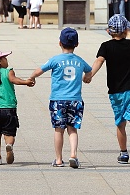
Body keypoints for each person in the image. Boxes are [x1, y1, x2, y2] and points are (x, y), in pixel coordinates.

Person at [84, 15, 130, 166]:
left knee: (120, 123)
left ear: (110, 31)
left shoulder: (106, 46)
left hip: (116, 91)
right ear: (126, 30)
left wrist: (90, 75)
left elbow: (99, 61)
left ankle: (124, 153)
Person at [29, 28, 93, 168]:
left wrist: (32, 77)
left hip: (57, 100)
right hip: (75, 100)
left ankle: (58, 159)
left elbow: (40, 70)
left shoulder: (55, 60)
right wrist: (86, 77)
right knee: (72, 129)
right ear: (76, 44)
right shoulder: (79, 61)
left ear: (60, 43)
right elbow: (89, 71)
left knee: (59, 129)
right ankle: (73, 155)